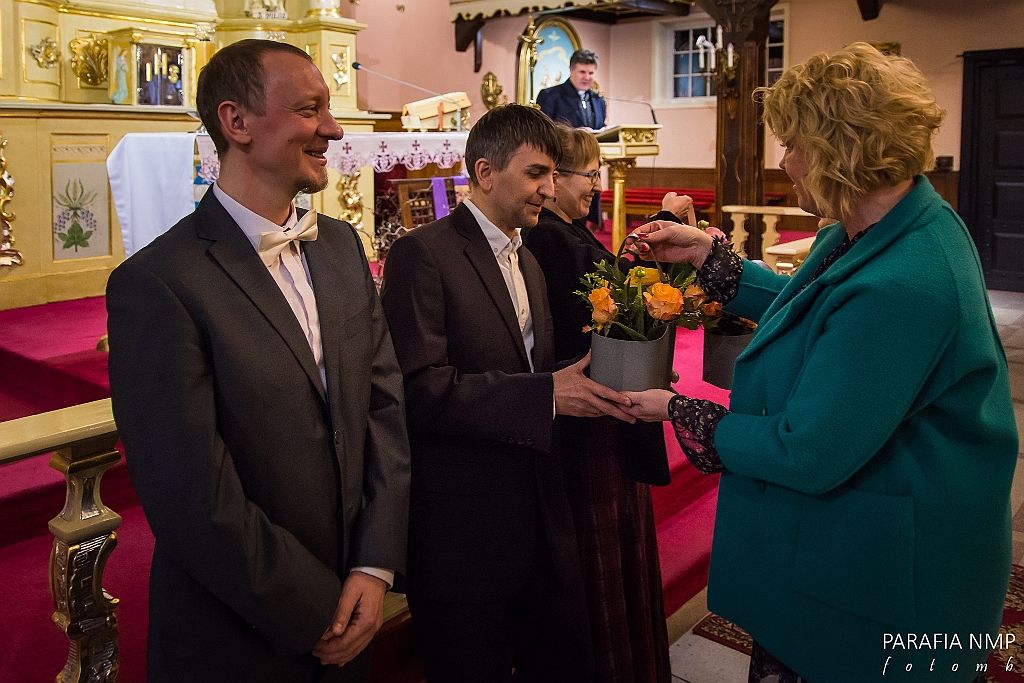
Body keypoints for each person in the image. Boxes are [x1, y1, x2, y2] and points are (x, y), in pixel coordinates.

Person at [623, 43, 1019, 683]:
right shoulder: (884, 224)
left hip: (889, 577)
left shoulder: (904, 283)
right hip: (872, 534)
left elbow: (808, 451)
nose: (783, 161)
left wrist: (678, 410)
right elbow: (820, 310)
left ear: (839, 149)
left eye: (791, 144)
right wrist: (707, 255)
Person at [106, 39, 411, 682]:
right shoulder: (158, 282)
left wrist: (373, 565)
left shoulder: (340, 247)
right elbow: (188, 490)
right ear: (237, 121)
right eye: (309, 109)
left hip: (355, 601)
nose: (333, 128)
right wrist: (314, 607)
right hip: (238, 632)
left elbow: (383, 408)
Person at [380, 103, 635, 682]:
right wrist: (547, 395)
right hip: (464, 533)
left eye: (553, 175)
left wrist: (611, 374)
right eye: (536, 173)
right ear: (486, 172)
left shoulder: (528, 257)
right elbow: (418, 390)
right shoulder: (425, 254)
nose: (549, 189)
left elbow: (531, 368)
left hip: (539, 517)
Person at [522, 124, 689, 683]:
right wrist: (655, 239)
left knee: (618, 557)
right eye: (588, 174)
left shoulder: (568, 230)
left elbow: (619, 293)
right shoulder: (549, 237)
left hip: (607, 412)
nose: (595, 184)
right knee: (602, 566)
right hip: (589, 421)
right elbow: (609, 302)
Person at [537, 48, 607, 230]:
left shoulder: (598, 100)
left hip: (589, 166)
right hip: (565, 168)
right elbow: (544, 132)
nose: (587, 77)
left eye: (591, 73)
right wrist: (574, 134)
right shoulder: (551, 96)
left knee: (583, 220)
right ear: (571, 70)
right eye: (582, 72)